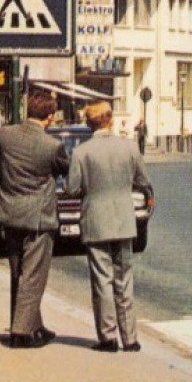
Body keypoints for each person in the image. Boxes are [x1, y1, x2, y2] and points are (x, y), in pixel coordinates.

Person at [65, 101, 152, 353]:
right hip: (124, 220)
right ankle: (131, 338)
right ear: (111, 120)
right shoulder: (129, 147)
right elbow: (143, 180)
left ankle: (108, 337)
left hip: (95, 220)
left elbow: (71, 188)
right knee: (124, 278)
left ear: (89, 124)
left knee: (101, 279)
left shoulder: (82, 152)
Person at [0, 88, 70, 348]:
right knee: (33, 276)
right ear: (49, 117)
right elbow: (65, 171)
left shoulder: (5, 135)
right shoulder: (52, 146)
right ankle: (20, 333)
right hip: (38, 217)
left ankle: (35, 326)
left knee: (18, 273)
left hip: (10, 213)